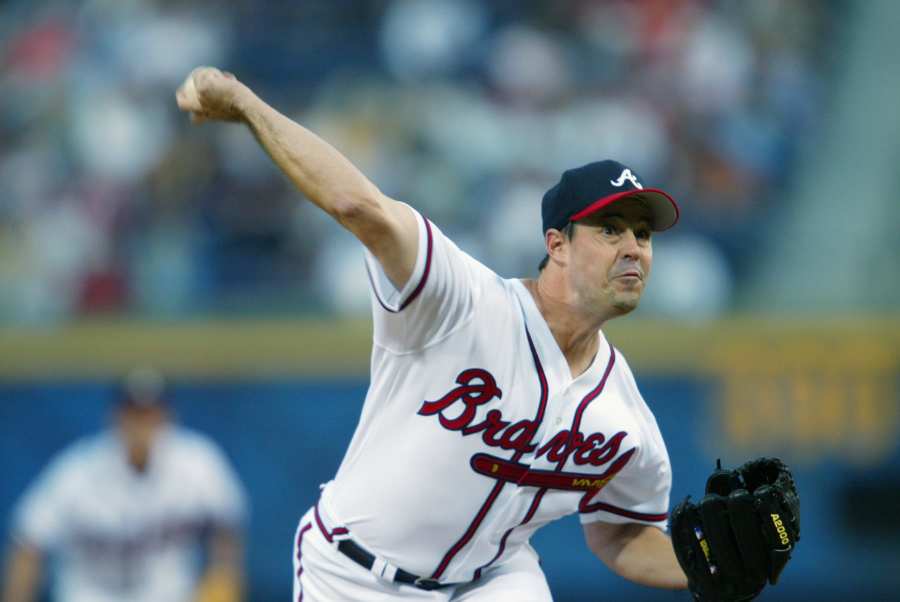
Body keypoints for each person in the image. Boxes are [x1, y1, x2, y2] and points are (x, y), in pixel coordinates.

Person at [176, 67, 687, 601]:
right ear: (557, 244)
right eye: (610, 229)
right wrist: (246, 105)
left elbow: (621, 531)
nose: (634, 247)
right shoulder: (461, 301)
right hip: (354, 575)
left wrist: (708, 569)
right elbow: (359, 207)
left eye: (643, 233)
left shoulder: (625, 417)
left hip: (490, 580)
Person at [2, 367, 247, 602]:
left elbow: (227, 527)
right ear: (115, 416)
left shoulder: (197, 462)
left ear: (169, 416)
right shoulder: (78, 471)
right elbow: (28, 543)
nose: (143, 426)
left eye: (151, 413)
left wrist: (223, 579)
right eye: (135, 414)